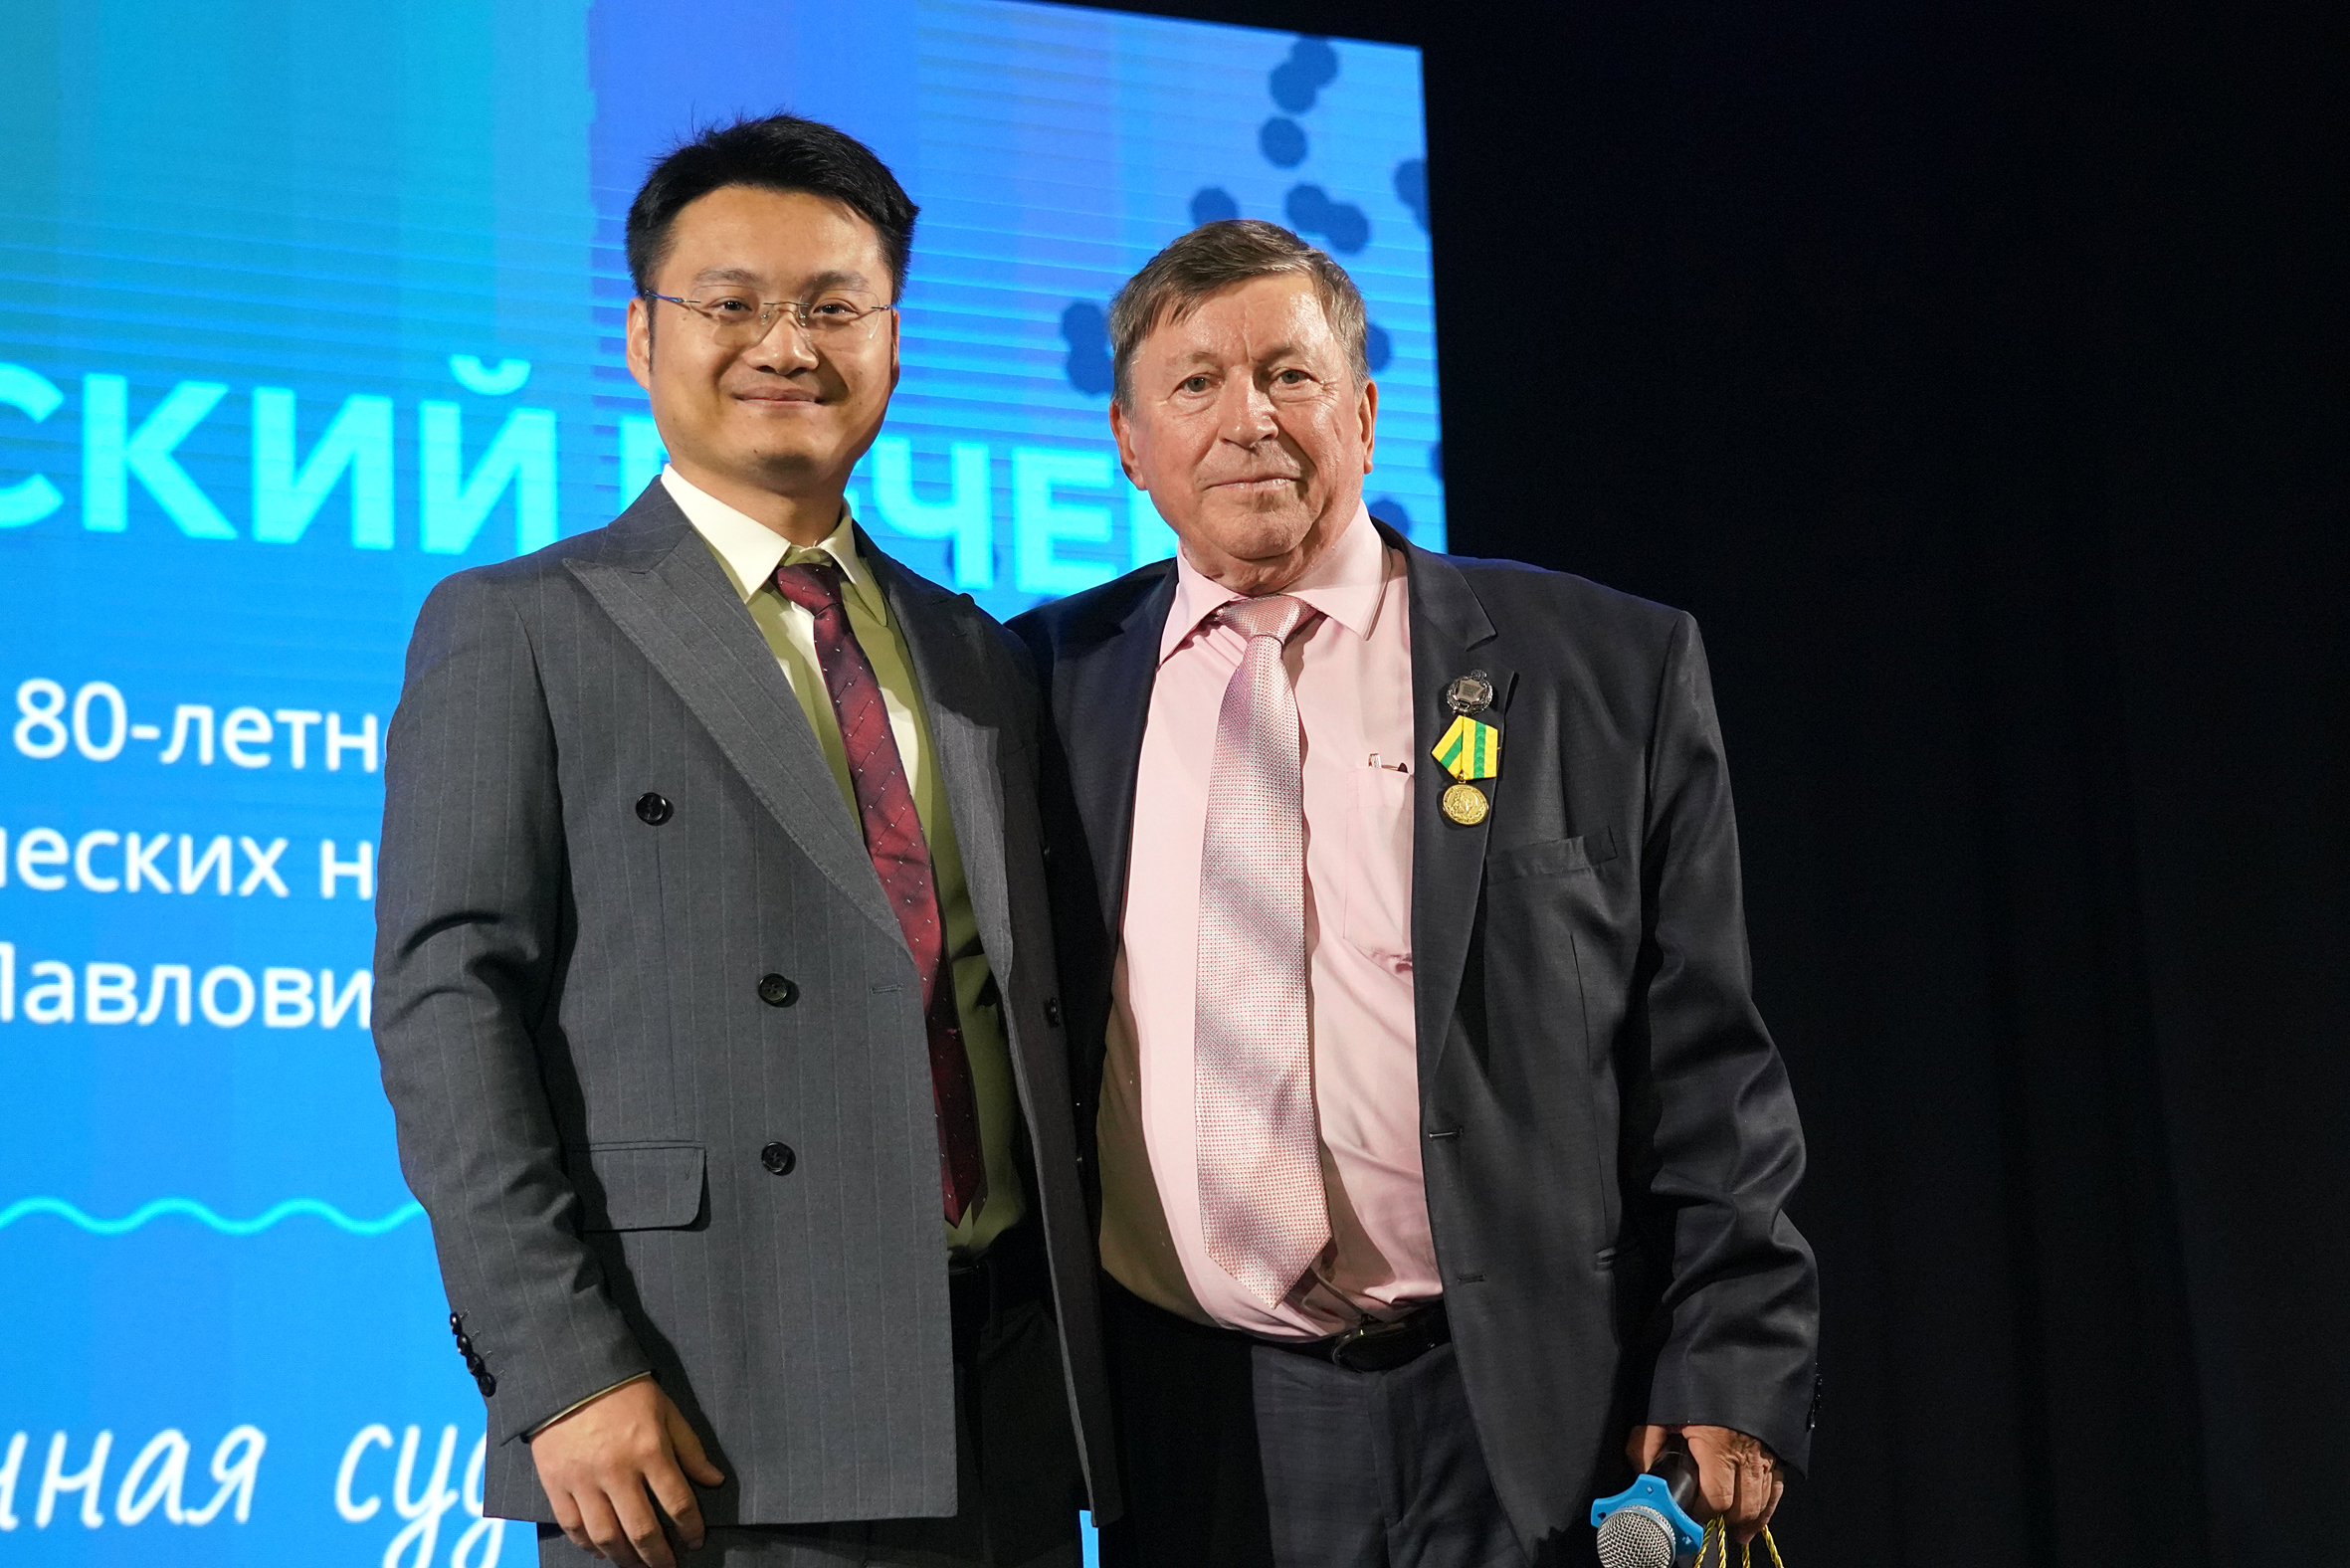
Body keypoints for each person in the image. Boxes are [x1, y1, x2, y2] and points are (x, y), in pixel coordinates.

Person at [1009, 219, 1819, 1568]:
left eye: (1290, 374)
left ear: (1366, 413)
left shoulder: (1602, 668)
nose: (1249, 419)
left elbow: (1708, 1063)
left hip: (1534, 1410)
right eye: (1196, 383)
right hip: (1191, 1421)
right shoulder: (1038, 686)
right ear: (1128, 442)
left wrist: (1730, 1356)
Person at [373, 114, 1115, 1568]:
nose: (787, 345)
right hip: (694, 1408)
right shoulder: (522, 624)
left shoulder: (975, 650)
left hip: (1006, 1403)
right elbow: (445, 1015)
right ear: (643, 338)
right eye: (732, 303)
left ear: (893, 343)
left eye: (834, 306)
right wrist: (560, 1373)